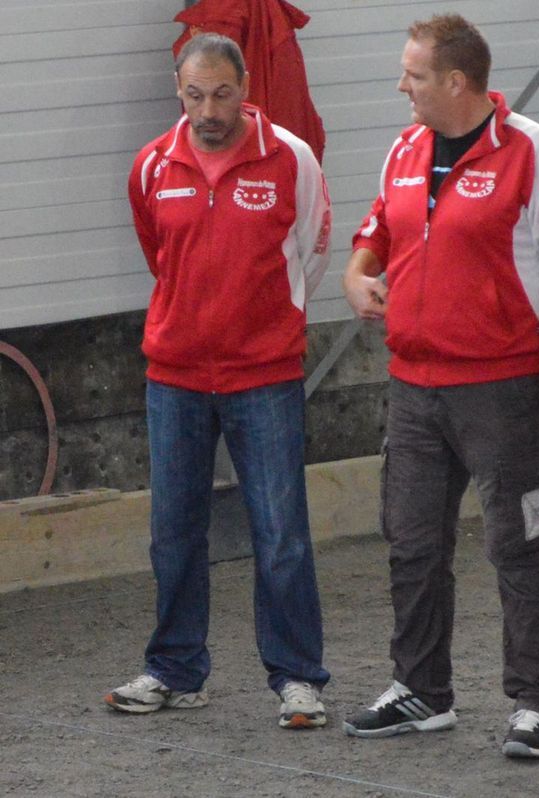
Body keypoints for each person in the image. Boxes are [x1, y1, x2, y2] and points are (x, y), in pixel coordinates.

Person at [340, 14, 539, 759]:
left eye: (412, 75)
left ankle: (538, 702)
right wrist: (357, 272)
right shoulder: (406, 148)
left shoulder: (533, 152)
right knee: (411, 544)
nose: (400, 86)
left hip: (501, 388)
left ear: (456, 81)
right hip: (414, 386)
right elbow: (380, 228)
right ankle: (421, 690)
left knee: (519, 544)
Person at [105, 33, 332, 728]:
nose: (209, 109)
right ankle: (175, 671)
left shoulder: (291, 158)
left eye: (223, 94)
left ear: (245, 88)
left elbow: (314, 249)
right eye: (196, 94)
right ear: (180, 90)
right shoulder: (151, 166)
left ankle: (297, 678)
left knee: (281, 533)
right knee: (173, 530)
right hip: (173, 377)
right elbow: (159, 253)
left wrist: (265, 322)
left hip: (263, 376)